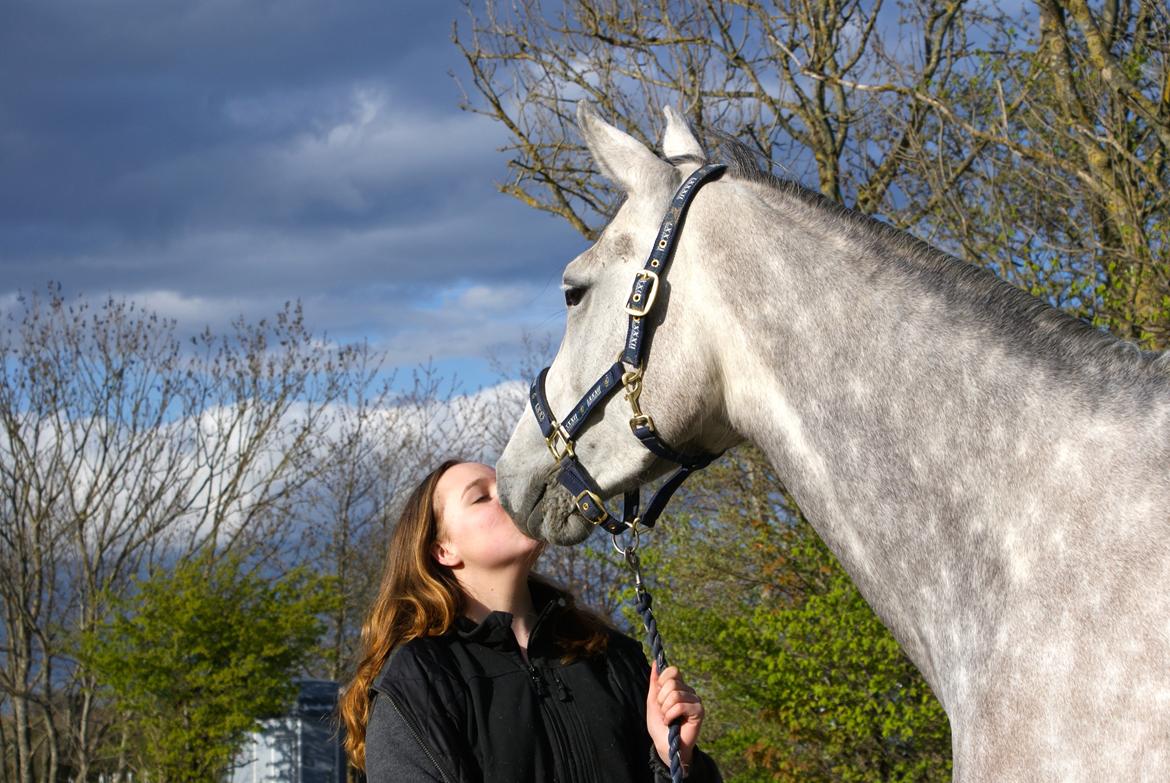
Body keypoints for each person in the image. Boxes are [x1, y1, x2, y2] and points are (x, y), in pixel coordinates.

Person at [338, 459, 722, 783]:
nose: (509, 497)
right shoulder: (421, 681)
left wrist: (674, 757)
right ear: (444, 550)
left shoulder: (609, 657)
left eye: (504, 486)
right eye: (481, 497)